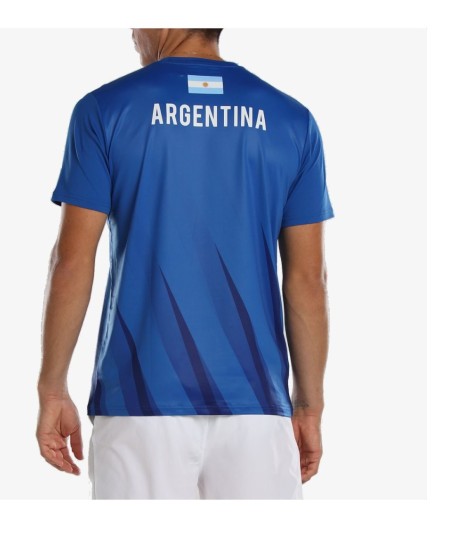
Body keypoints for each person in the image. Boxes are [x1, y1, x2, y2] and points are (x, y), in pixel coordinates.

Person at [36, 28, 335, 499]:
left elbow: (72, 261)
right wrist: (308, 406)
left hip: (138, 400)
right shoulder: (291, 120)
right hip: (258, 408)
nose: (132, 30)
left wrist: (53, 387)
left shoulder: (104, 110)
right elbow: (307, 280)